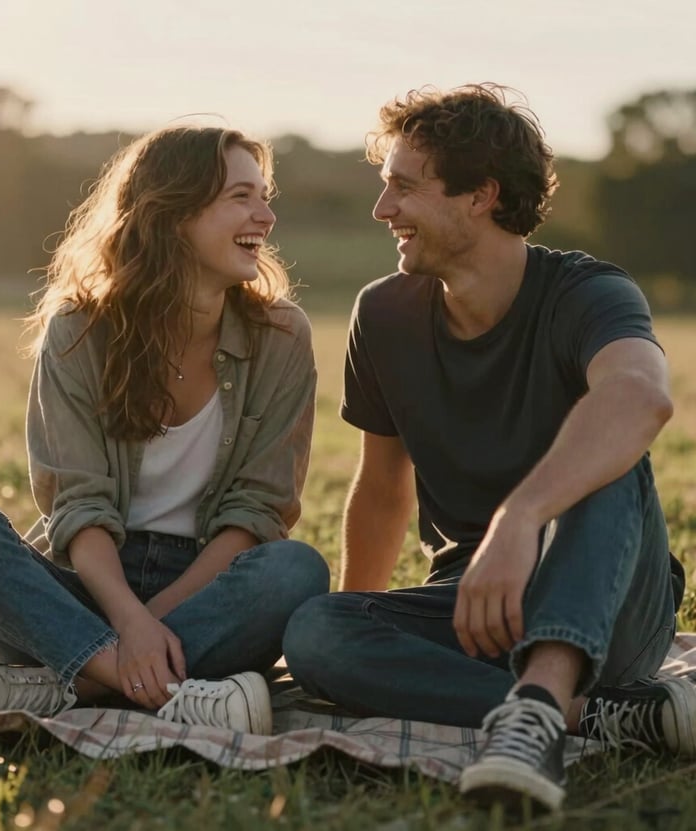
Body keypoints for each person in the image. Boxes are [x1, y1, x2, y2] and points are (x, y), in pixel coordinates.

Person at [282, 83, 695, 809]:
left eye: (404, 188)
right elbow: (382, 488)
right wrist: (357, 640)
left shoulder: (588, 293)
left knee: (609, 446)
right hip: (476, 606)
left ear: (480, 194)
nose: (383, 211)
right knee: (317, 631)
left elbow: (642, 397)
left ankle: (540, 705)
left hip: (611, 601)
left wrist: (520, 519)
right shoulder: (383, 315)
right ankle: (584, 714)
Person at [0, 124, 329, 734]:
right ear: (174, 214)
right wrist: (128, 623)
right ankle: (174, 692)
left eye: (264, 195)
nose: (266, 215)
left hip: (205, 588)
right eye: (241, 197)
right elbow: (78, 504)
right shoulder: (79, 332)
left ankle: (67, 684)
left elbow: (258, 511)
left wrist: (151, 624)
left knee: (296, 571)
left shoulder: (282, 337)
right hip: (83, 581)